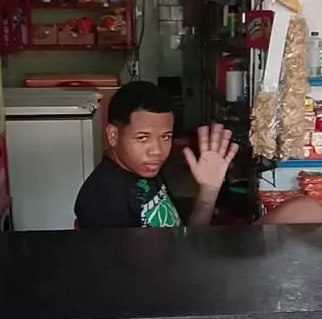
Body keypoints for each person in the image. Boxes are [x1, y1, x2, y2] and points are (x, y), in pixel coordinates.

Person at [75, 80, 239, 229]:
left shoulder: (142, 170)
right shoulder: (106, 201)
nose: (157, 151)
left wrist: (208, 192)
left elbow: (187, 239)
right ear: (113, 136)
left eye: (165, 137)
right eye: (143, 138)